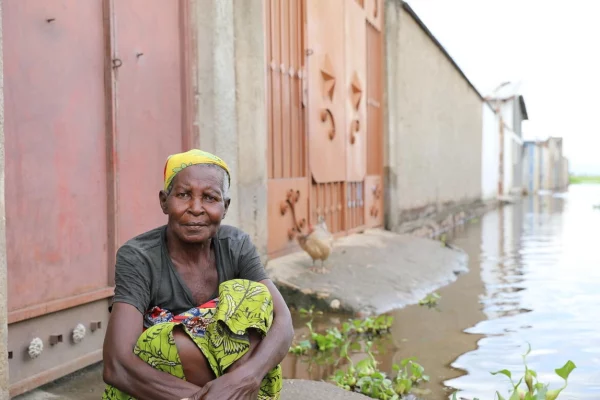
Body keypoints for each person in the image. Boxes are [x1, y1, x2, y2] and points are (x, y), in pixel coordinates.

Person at [102, 149, 294, 400]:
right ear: (164, 201)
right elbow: (118, 364)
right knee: (168, 341)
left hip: (235, 382)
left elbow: (284, 321)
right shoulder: (139, 256)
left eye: (210, 197)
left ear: (225, 207)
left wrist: (245, 378)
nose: (195, 208)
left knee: (253, 294)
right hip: (156, 390)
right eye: (183, 195)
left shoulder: (235, 245)